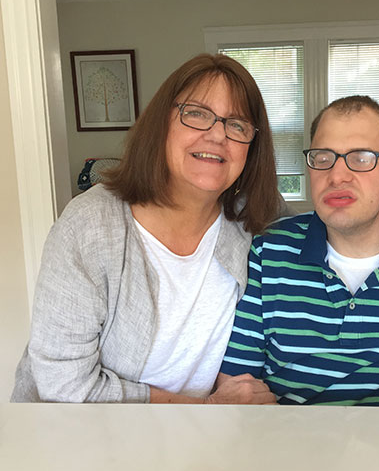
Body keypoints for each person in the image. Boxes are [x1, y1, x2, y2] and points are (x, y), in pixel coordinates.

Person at [11, 53, 282, 404]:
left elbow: (333, 222)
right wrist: (208, 409)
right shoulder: (89, 226)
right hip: (84, 437)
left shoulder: (251, 218)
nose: (217, 135)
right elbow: (63, 386)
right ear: (161, 124)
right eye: (196, 113)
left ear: (251, 147)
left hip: (200, 441)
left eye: (237, 124)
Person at [216, 96, 379, 406]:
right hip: (285, 447)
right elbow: (237, 392)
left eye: (362, 157)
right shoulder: (266, 252)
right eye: (323, 157)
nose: (336, 175)